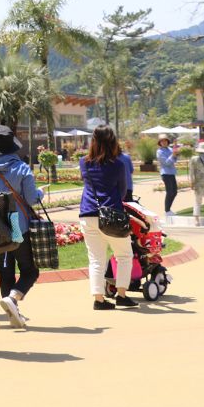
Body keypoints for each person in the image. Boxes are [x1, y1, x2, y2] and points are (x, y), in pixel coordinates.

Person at [0, 125, 43, 329]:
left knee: (5, 270)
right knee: (29, 270)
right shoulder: (22, 169)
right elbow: (32, 199)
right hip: (17, 225)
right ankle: (14, 299)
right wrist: (40, 193)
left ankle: (12, 311)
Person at [79, 125, 137, 310]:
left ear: (93, 141)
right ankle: (121, 295)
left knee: (96, 259)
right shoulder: (118, 164)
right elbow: (122, 191)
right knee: (124, 255)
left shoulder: (84, 162)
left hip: (88, 213)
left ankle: (99, 299)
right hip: (111, 214)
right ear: (113, 141)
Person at [156, 136, 178, 215]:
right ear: (160, 143)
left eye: (165, 141)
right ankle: (167, 210)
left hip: (172, 173)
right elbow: (166, 163)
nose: (164, 142)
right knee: (169, 192)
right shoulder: (159, 151)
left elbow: (174, 160)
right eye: (162, 141)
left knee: (174, 192)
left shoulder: (170, 150)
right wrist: (173, 155)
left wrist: (175, 154)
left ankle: (168, 209)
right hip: (165, 173)